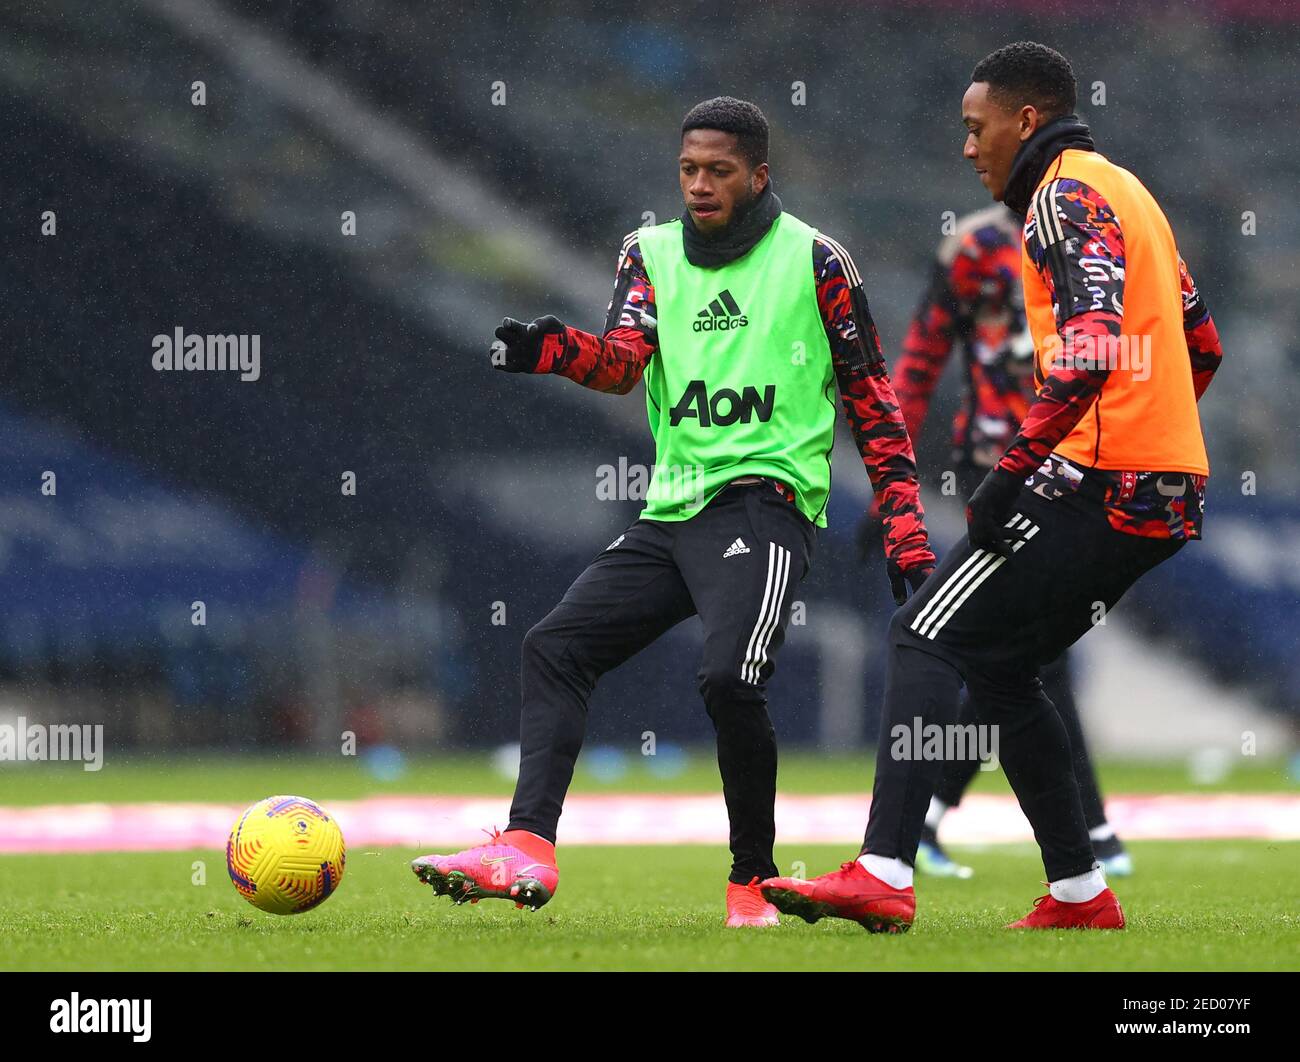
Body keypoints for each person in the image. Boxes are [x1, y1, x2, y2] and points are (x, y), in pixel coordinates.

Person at [411, 97, 935, 926]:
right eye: (688, 169)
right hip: (673, 510)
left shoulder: (818, 261)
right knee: (554, 646)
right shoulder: (647, 252)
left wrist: (903, 522)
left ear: (759, 175)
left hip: (765, 504)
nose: (698, 184)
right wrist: (556, 350)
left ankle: (751, 882)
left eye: (718, 170)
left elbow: (874, 399)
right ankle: (527, 846)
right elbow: (625, 364)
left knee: (728, 678)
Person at [762, 41, 1222, 931]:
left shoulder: (1060, 196)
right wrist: (1154, 432)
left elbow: (1088, 346)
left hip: (1091, 475)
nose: (967, 149)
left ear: (1026, 119)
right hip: (1162, 484)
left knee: (921, 632)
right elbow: (1201, 345)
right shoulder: (1133, 196)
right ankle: (1081, 894)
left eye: (976, 129)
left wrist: (1019, 468)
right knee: (1006, 669)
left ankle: (884, 869)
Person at [877, 203, 1129, 878]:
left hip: (1075, 466)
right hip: (998, 473)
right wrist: (889, 480)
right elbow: (920, 363)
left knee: (1018, 653)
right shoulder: (978, 245)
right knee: (1024, 654)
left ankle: (934, 815)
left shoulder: (1085, 235)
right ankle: (1090, 833)